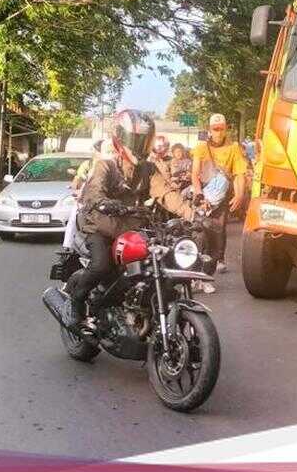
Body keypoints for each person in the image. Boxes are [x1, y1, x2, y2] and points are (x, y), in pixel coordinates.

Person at [45, 110, 193, 329]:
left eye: (144, 140)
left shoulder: (148, 169)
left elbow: (166, 193)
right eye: (136, 140)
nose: (140, 145)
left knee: (160, 260)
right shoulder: (106, 165)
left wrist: (192, 214)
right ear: (120, 139)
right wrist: (103, 202)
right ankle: (75, 304)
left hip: (131, 228)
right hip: (100, 225)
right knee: (101, 265)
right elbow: (95, 190)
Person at [190, 113, 248, 275]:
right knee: (199, 231)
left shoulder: (234, 147)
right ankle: (194, 269)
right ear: (210, 129)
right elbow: (195, 174)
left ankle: (212, 267)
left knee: (218, 231)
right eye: (215, 129)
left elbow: (239, 174)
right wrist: (200, 195)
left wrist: (239, 195)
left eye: (221, 129)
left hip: (221, 199)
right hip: (202, 196)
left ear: (226, 129)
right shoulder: (201, 147)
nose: (218, 132)